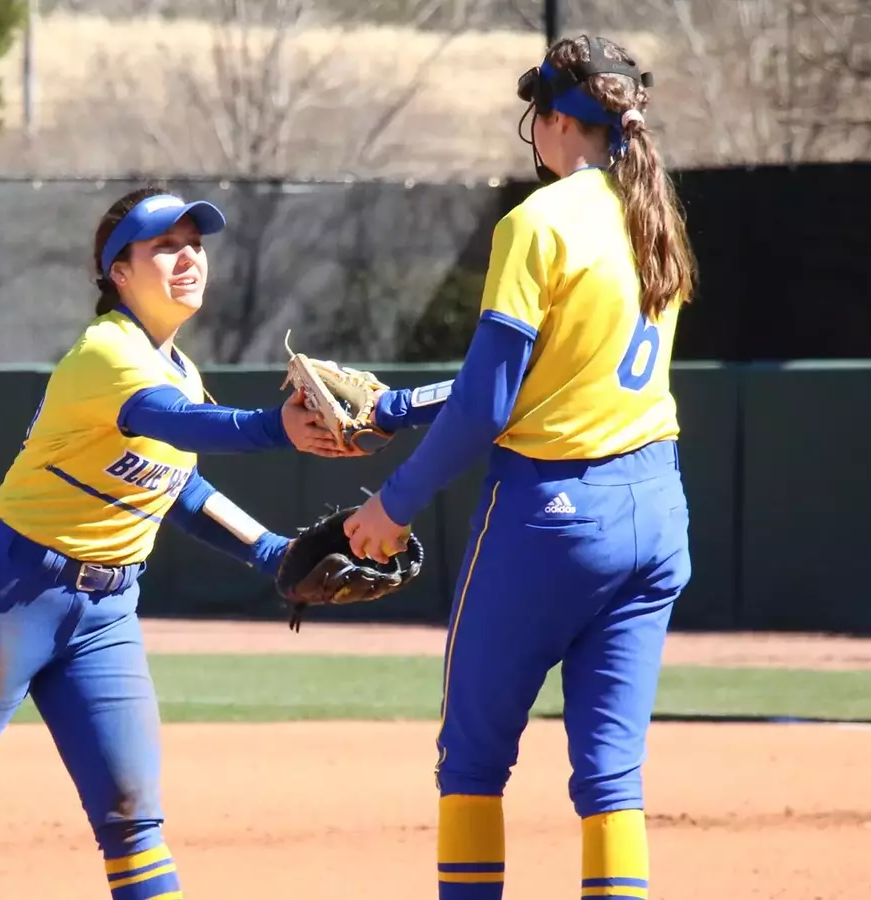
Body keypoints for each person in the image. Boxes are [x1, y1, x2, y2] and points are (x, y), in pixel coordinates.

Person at [0, 186, 347, 899]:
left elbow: (175, 486)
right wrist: (275, 427)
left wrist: (271, 551)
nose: (188, 257)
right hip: (10, 590)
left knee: (133, 818)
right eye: (164, 246)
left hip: (107, 613)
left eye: (195, 244)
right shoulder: (107, 354)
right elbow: (184, 427)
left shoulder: (180, 368)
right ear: (118, 272)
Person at [342, 34, 695, 900]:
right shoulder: (653, 217)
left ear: (551, 119)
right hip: (656, 508)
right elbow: (549, 378)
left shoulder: (539, 221)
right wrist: (393, 407)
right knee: (611, 777)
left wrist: (392, 505)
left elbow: (490, 406)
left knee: (472, 762)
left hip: (553, 518)